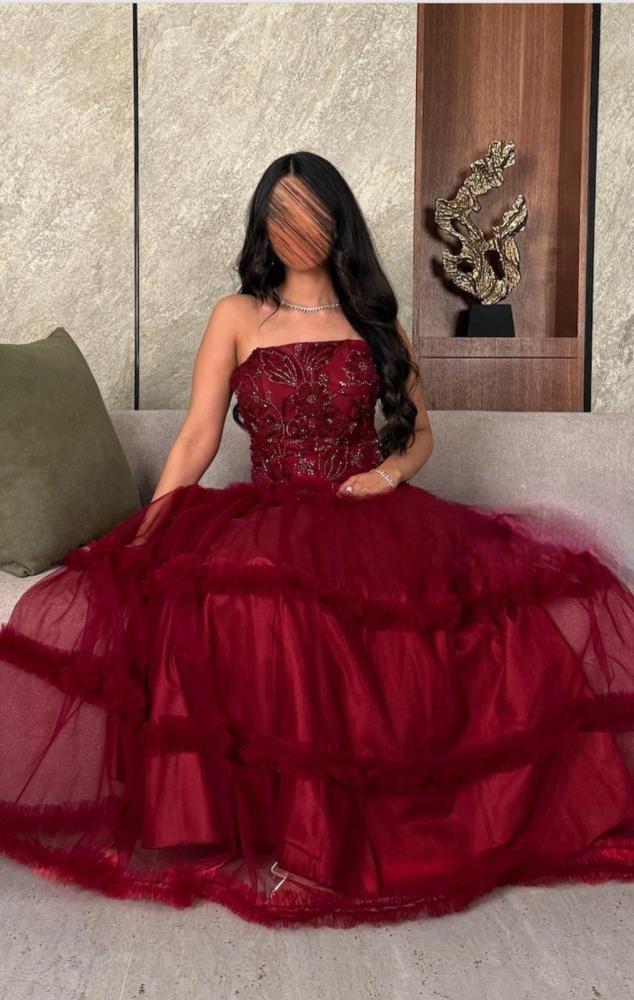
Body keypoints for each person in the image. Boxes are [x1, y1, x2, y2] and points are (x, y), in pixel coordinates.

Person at [0, 151, 633, 930]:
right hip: (266, 511)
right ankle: (260, 831)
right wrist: (150, 528)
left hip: (367, 512)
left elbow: (421, 435)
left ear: (339, 224)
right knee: (248, 601)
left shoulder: (376, 320)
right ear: (263, 225)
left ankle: (325, 846)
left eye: (312, 213)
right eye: (282, 213)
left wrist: (387, 478)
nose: (296, 227)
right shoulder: (236, 315)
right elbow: (197, 436)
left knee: (480, 621)